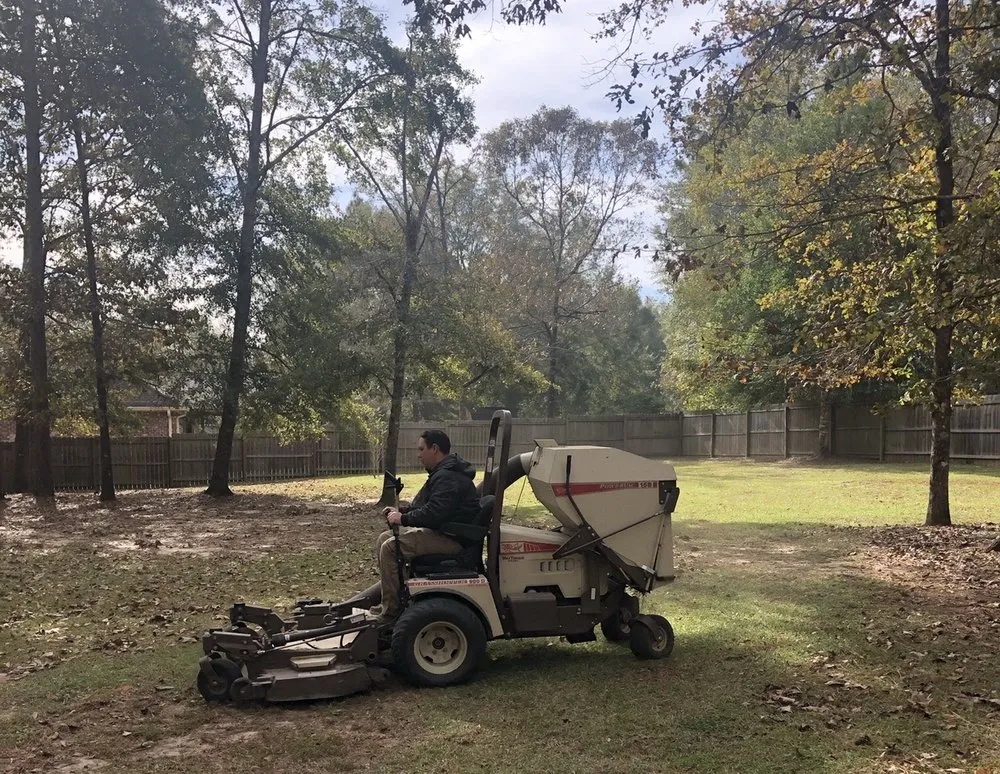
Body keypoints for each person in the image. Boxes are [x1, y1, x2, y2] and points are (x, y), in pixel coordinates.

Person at [375, 429, 481, 623]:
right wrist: (403, 512)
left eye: (421, 449)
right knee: (384, 538)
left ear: (435, 449)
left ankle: (391, 613)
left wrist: (403, 519)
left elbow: (435, 513)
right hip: (446, 532)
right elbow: (429, 507)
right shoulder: (444, 474)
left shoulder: (448, 477)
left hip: (453, 539)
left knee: (389, 547)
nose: (418, 455)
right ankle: (395, 599)